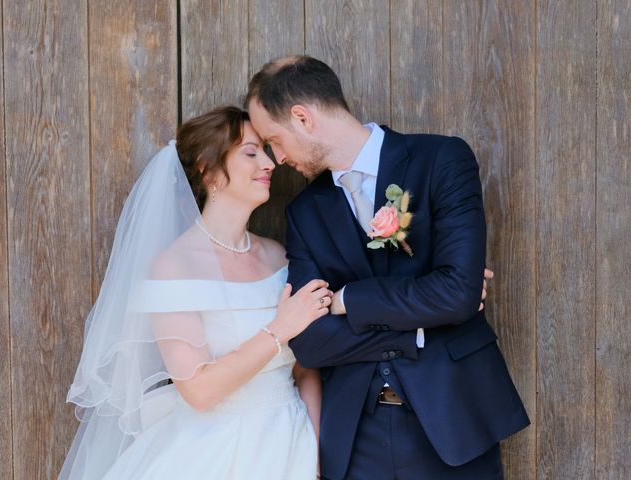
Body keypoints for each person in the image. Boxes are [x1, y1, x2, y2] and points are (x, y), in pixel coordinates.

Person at [246, 55, 530, 480]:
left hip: (454, 423)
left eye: (274, 139)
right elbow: (310, 342)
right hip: (356, 438)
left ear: (302, 118)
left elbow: (457, 292)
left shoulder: (442, 160)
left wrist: (346, 300)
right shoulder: (305, 211)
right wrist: (419, 328)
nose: (277, 158)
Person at [60, 107, 328, 479]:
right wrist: (279, 330)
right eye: (250, 153)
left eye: (266, 151)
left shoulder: (279, 255)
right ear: (208, 169)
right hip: (215, 449)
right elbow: (199, 392)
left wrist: (314, 453)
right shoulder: (174, 267)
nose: (269, 164)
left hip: (292, 438)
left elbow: (306, 368)